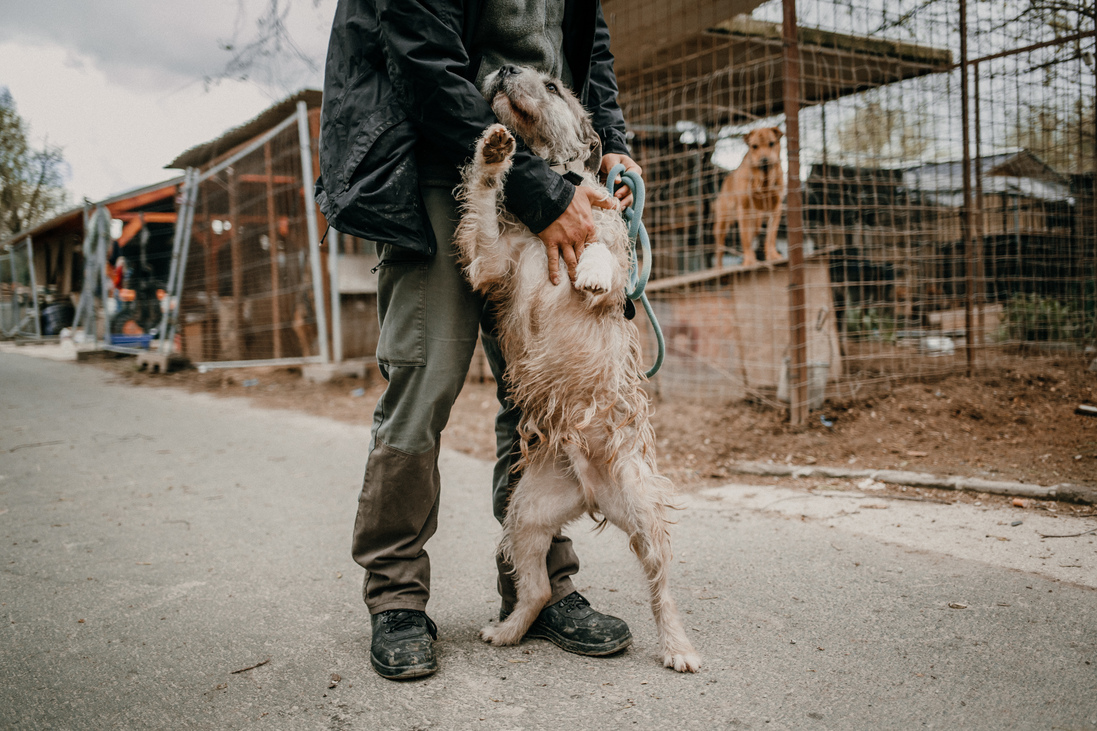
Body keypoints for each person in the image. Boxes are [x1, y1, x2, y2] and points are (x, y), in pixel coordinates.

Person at [316, 0, 643, 680]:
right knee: (425, 380)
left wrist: (609, 139)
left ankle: (539, 583)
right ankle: (397, 597)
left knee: (539, 388)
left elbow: (590, 45)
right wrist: (535, 193)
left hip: (554, 162)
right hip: (436, 162)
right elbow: (423, 64)